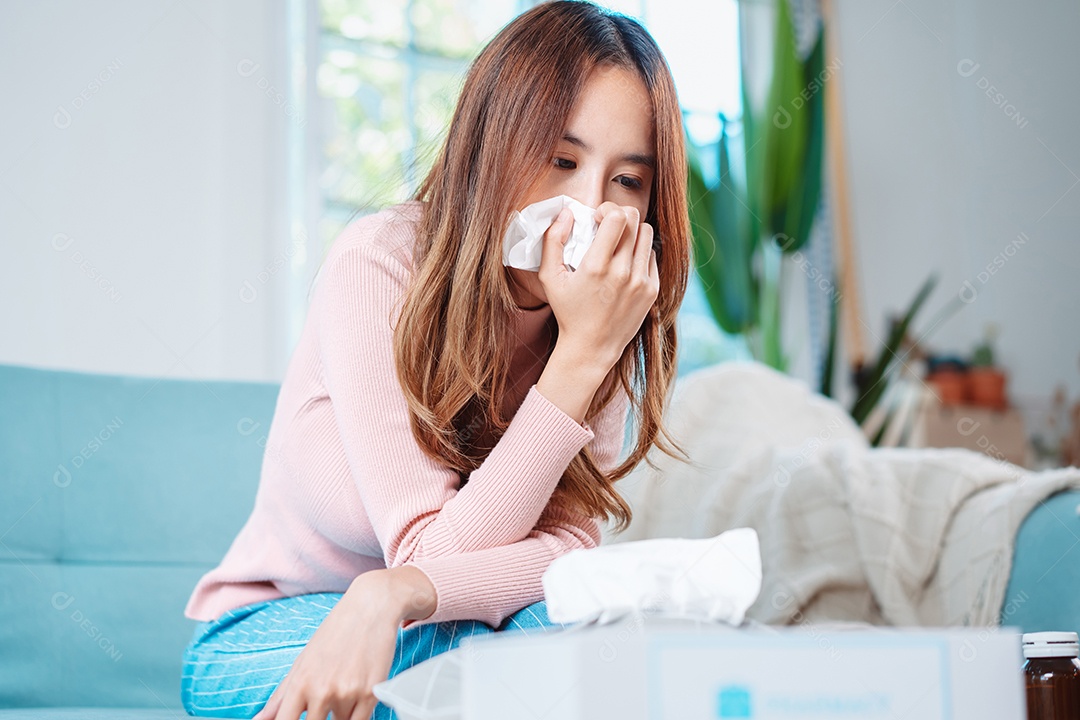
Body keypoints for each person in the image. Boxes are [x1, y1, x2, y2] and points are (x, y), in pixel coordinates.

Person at [180, 1, 691, 718]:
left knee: (586, 642)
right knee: (525, 667)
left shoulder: (603, 323)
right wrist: (578, 361)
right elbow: (427, 549)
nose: (589, 206)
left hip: (419, 613)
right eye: (561, 160)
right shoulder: (380, 264)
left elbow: (564, 557)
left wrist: (396, 593)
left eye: (626, 182)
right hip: (271, 630)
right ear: (494, 146)